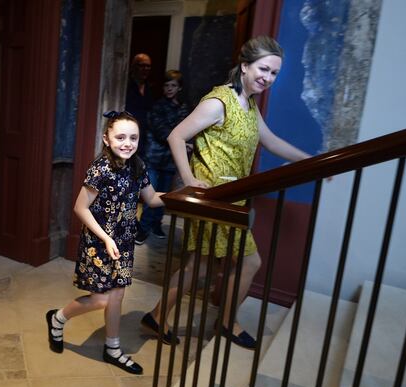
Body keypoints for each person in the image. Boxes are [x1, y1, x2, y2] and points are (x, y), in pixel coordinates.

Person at [142, 36, 315, 350]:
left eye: (274, 73)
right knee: (248, 263)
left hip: (232, 197)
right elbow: (176, 136)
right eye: (263, 69)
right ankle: (226, 321)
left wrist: (309, 161)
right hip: (213, 199)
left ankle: (158, 315)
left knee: (200, 266)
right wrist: (189, 178)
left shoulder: (248, 103)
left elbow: (271, 141)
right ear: (245, 66)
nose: (268, 77)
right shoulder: (218, 101)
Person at [46, 111, 165, 374]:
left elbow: (152, 198)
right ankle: (57, 318)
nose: (127, 143)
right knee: (102, 299)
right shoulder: (101, 169)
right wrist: (106, 238)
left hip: (124, 244)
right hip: (99, 244)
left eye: (133, 137)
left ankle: (112, 348)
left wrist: (184, 196)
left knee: (118, 295)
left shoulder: (138, 166)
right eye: (120, 137)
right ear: (106, 139)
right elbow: (80, 207)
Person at [135, 70, 191, 245]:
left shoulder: (184, 107)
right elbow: (162, 131)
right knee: (150, 195)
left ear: (179, 88)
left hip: (170, 160)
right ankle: (143, 228)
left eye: (173, 85)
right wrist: (182, 142)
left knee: (164, 195)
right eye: (166, 85)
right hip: (153, 157)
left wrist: (183, 140)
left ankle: (156, 224)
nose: (169, 89)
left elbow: (186, 129)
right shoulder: (157, 106)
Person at [125, 53, 155, 158]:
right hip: (129, 132)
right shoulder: (126, 85)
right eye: (142, 65)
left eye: (148, 66)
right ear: (134, 66)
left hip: (145, 137)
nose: (145, 69)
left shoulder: (150, 88)